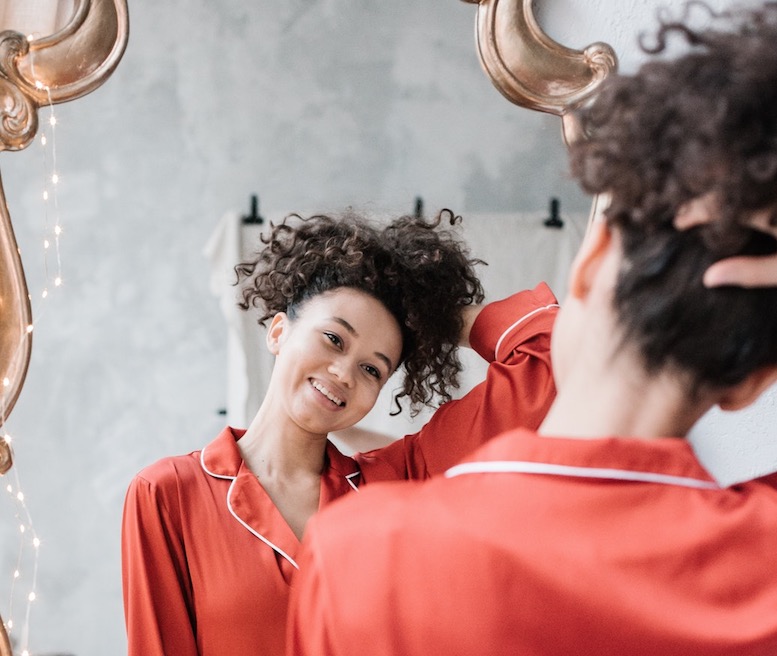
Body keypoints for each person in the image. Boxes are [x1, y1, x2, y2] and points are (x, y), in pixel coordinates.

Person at [287, 4, 777, 655]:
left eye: (372, 363)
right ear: (753, 382)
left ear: (593, 256)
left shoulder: (362, 554)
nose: (346, 371)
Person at [121, 209, 559, 656]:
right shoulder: (168, 493)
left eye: (372, 368)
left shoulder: (401, 480)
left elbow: (553, 356)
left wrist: (438, 316)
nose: (344, 373)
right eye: (334, 339)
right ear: (278, 331)